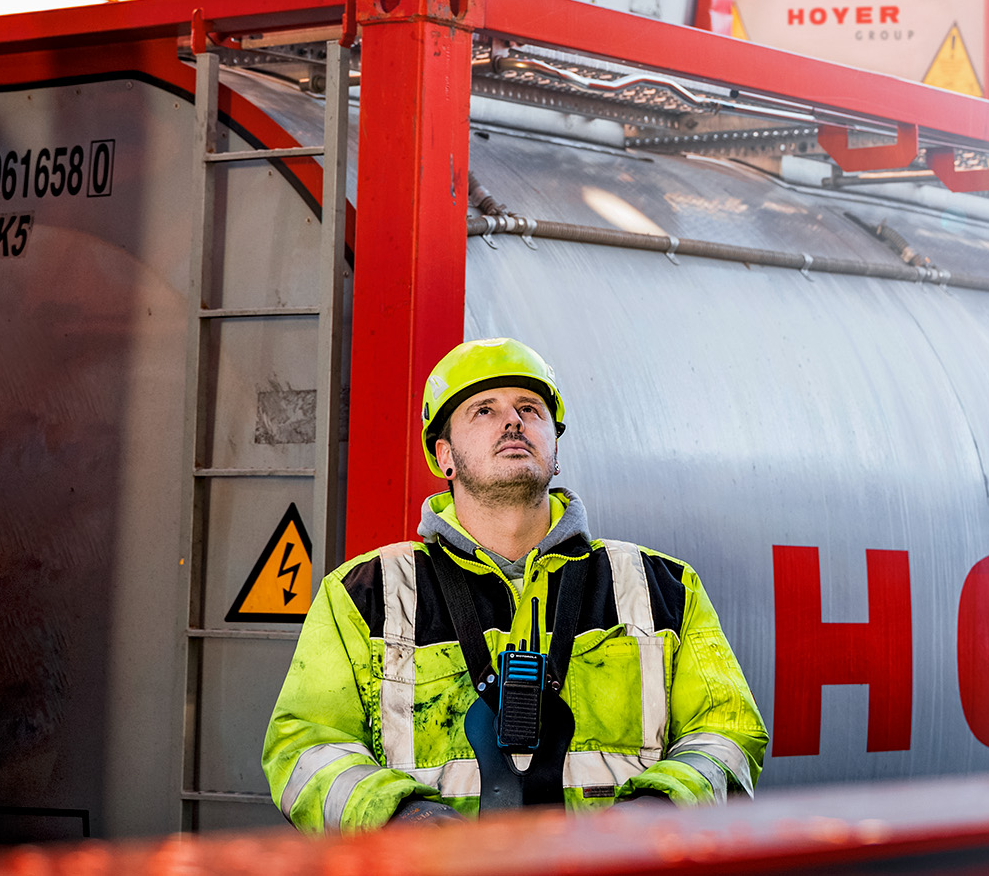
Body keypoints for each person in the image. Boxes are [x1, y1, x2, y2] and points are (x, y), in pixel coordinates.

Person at [262, 338, 767, 832]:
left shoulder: (662, 587)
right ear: (445, 457)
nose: (513, 420)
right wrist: (401, 819)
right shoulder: (365, 593)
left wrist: (653, 815)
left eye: (531, 408)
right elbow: (304, 748)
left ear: (555, 450)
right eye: (483, 410)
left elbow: (726, 733)